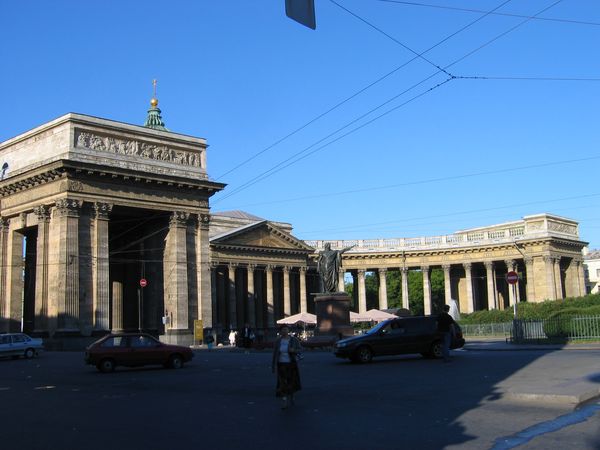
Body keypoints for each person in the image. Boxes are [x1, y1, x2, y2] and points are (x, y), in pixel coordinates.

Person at [271, 325, 302, 409]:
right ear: (280, 331)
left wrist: (294, 350)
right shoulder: (278, 341)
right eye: (283, 330)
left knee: (291, 381)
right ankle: (284, 401)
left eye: (286, 329)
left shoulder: (294, 340)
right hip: (281, 364)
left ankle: (291, 396)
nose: (284, 331)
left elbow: (300, 349)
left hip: (291, 363)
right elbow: (275, 353)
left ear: (288, 330)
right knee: (282, 383)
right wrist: (273, 365)